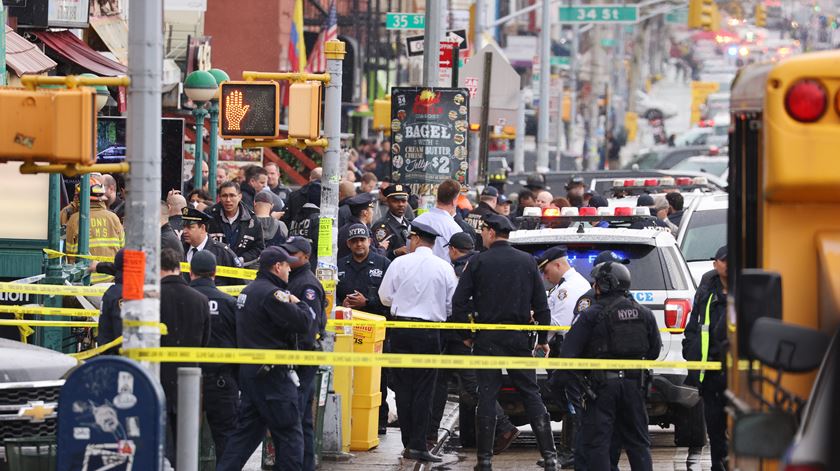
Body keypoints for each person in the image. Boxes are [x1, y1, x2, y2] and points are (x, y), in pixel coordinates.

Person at [451, 213, 557, 471]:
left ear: (488, 231)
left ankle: (484, 460)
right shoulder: (527, 262)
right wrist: (542, 339)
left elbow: (458, 302)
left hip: (487, 338)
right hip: (519, 338)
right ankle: (550, 457)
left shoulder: (478, 262)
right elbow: (541, 306)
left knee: (486, 395)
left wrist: (466, 335)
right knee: (531, 394)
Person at [216, 247, 314, 471]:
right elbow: (302, 323)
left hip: (251, 375)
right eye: (287, 265)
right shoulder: (274, 294)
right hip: (274, 379)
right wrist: (300, 304)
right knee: (290, 435)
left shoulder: (248, 291)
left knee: (244, 437)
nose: (290, 269)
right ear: (277, 267)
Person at [560, 261, 662, 471]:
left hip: (601, 388)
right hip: (635, 385)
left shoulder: (591, 315)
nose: (593, 287)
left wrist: (583, 379)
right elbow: (654, 352)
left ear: (604, 285)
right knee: (638, 443)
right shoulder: (644, 313)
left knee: (599, 444)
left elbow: (568, 353)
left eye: (596, 283)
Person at [430, 232, 522, 453]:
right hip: (475, 332)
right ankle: (434, 432)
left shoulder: (461, 269)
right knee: (450, 382)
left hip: (462, 335)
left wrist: (464, 333)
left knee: (471, 383)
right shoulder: (481, 263)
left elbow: (458, 303)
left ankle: (504, 427)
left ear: (452, 250)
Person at [378, 221, 458, 463]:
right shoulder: (444, 268)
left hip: (401, 329)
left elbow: (384, 297)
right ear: (433, 243)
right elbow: (450, 305)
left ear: (414, 239)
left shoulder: (399, 263)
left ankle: (408, 443)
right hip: (429, 332)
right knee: (425, 389)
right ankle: (419, 444)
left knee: (403, 387)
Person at [537, 246, 591, 468]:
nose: (544, 275)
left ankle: (571, 451)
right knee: (570, 400)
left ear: (558, 264)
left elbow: (559, 325)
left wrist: (539, 342)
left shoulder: (568, 289)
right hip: (569, 350)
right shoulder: (567, 285)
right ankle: (570, 449)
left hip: (567, 350)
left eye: (546, 269)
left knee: (571, 400)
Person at [336, 223, 392, 433]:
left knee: (378, 376)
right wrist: (342, 304)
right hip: (346, 331)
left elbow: (389, 298)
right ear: (348, 244)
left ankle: (379, 421)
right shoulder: (340, 265)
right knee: (347, 375)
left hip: (375, 333)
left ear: (370, 240)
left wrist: (367, 302)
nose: (359, 244)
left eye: (362, 239)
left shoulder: (384, 263)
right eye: (354, 241)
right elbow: (331, 294)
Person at [158, 248, 211, 464]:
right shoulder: (200, 300)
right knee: (186, 443)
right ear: (180, 269)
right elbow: (205, 341)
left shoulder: (149, 299)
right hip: (189, 379)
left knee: (160, 442)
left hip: (157, 376)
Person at [187, 251, 239, 462]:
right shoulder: (228, 303)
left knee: (181, 436)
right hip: (222, 381)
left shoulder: (182, 299)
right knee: (226, 439)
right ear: (215, 273)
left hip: (185, 380)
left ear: (190, 273)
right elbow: (240, 341)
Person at [281, 237, 326, 471]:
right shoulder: (295, 279)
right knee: (303, 419)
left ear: (306, 256)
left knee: (296, 417)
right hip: (300, 357)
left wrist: (299, 357)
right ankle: (306, 464)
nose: (289, 257)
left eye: (294, 254)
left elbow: (311, 325)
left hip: (302, 358)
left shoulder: (306, 284)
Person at [683, 246, 729, 471]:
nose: (728, 265)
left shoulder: (749, 292)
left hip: (739, 374)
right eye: (723, 261)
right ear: (715, 264)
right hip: (711, 374)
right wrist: (690, 353)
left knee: (740, 428)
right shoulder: (706, 294)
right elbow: (694, 328)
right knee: (715, 428)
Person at [65, 176, 125, 264]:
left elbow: (70, 255)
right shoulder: (114, 218)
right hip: (110, 275)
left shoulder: (74, 220)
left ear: (81, 197)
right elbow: (122, 247)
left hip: (86, 276)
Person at [206, 181, 265, 267]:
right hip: (214, 270)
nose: (228, 200)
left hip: (242, 273)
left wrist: (241, 260)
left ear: (240, 197)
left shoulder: (252, 220)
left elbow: (258, 248)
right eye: (224, 196)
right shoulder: (209, 216)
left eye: (232, 195)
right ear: (219, 197)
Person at [181, 207, 241, 285]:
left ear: (203, 228)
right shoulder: (180, 251)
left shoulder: (222, 253)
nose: (184, 231)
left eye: (190, 227)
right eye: (183, 227)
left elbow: (239, 282)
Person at [410, 179, 464, 262]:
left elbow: (408, 250)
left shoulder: (416, 222)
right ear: (454, 201)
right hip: (441, 273)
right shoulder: (454, 229)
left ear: (437, 198)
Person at [337, 192, 385, 260]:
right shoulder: (361, 230)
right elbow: (374, 256)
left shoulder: (344, 228)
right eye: (371, 210)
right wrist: (383, 248)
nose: (373, 212)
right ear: (365, 213)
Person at [371, 184, 412, 259]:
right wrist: (395, 252)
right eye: (396, 201)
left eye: (403, 201)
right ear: (388, 202)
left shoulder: (409, 224)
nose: (400, 205)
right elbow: (376, 255)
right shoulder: (381, 226)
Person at [96, 249, 124, 353]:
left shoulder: (112, 293)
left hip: (108, 357)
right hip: (118, 359)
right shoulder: (121, 295)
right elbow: (120, 333)